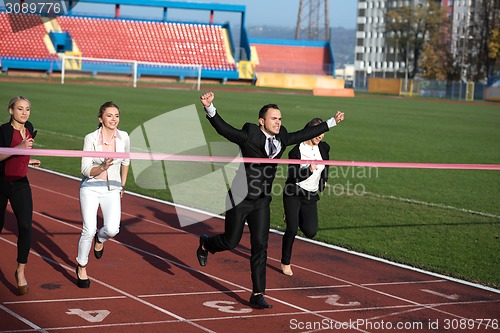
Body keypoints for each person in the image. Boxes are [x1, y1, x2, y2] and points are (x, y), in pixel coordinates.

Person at [196, 91, 344, 308]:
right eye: (274, 118)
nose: (278, 122)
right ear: (261, 121)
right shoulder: (250, 134)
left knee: (260, 246)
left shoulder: (282, 137)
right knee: (231, 241)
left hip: (262, 200)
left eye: (280, 118)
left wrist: (331, 122)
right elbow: (225, 129)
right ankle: (206, 243)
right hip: (240, 198)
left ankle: (257, 294)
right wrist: (210, 108)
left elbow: (304, 134)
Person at [75, 101, 130, 288]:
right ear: (101, 118)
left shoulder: (124, 137)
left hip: (112, 188)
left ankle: (101, 238)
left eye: (116, 115)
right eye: (109, 115)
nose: (114, 119)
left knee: (113, 229)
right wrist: (102, 167)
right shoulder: (90, 138)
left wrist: (122, 185)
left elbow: (126, 162)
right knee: (88, 229)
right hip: (90, 187)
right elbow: (85, 169)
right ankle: (81, 266)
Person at [0, 96, 41, 295]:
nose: (24, 113)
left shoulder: (30, 127)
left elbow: (20, 153)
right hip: (1, 182)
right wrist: (19, 149)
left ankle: (20, 271)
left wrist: (28, 160)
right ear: (11, 111)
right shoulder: (3, 130)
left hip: (20, 184)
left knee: (25, 225)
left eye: (27, 109)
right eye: (20, 109)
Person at [280, 118, 330, 277]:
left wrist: (324, 180)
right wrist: (308, 170)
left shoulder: (324, 147)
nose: (321, 136)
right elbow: (293, 175)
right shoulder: (296, 151)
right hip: (294, 192)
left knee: (311, 231)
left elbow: (326, 165)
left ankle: (293, 215)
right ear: (310, 131)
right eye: (318, 132)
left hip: (311, 195)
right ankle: (285, 262)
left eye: (323, 133)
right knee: (292, 228)